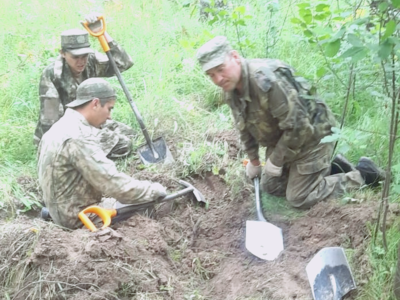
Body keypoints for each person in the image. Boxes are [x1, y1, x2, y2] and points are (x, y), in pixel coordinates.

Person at [196, 36, 385, 209]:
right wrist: (254, 161)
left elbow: (300, 127)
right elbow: (243, 126)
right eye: (211, 75)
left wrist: (276, 159)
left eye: (221, 69)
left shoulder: (266, 82)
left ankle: (364, 176)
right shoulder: (231, 88)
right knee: (270, 185)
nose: (218, 79)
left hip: (314, 137)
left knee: (299, 198)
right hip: (285, 140)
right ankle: (332, 168)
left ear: (235, 57)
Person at [37, 78, 167, 229]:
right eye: (109, 109)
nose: (110, 116)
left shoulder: (58, 128)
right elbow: (115, 185)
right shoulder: (79, 137)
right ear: (95, 104)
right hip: (80, 217)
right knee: (147, 206)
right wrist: (154, 190)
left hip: (61, 210)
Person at [34, 13, 134, 158]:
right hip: (66, 130)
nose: (81, 61)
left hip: (89, 123)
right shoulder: (53, 75)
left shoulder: (91, 61)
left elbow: (123, 63)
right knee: (123, 144)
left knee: (129, 133)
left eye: (84, 56)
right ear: (63, 53)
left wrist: (103, 33)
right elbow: (50, 119)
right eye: (75, 57)